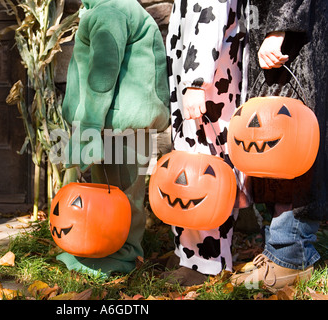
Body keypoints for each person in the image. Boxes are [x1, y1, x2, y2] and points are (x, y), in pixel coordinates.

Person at [56, 0, 170, 277]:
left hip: (113, 122)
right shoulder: (120, 7)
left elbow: (103, 74)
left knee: (115, 194)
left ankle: (118, 257)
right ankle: (108, 249)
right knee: (122, 191)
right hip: (129, 120)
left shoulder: (111, 11)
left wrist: (89, 126)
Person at [231, 0, 328, 289]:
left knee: (289, 145)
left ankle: (291, 256)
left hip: (293, 41)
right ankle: (278, 250)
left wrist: (279, 28)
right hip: (280, 36)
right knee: (273, 153)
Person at [163, 0, 250, 285]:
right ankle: (191, 254)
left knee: (202, 171)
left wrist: (196, 82)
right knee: (195, 166)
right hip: (200, 83)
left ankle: (206, 261)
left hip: (208, 85)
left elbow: (208, 20)